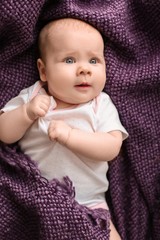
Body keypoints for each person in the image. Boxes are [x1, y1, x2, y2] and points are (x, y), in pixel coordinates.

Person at [0, 18, 128, 239]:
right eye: (69, 60)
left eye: (94, 60)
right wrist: (26, 113)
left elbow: (111, 147)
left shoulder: (100, 104)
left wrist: (71, 136)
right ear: (43, 71)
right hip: (36, 197)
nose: (84, 69)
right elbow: (4, 133)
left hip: (90, 203)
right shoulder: (34, 96)